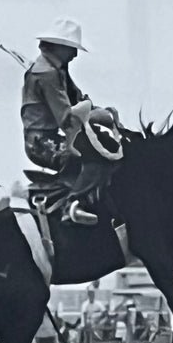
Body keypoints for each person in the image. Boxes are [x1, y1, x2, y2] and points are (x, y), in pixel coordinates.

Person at [19, 17, 122, 225]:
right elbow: (67, 119)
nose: (75, 55)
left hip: (48, 139)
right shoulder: (46, 74)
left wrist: (100, 111)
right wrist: (98, 115)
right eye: (71, 49)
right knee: (96, 157)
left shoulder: (57, 70)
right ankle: (73, 205)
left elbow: (78, 101)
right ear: (59, 47)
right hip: (42, 144)